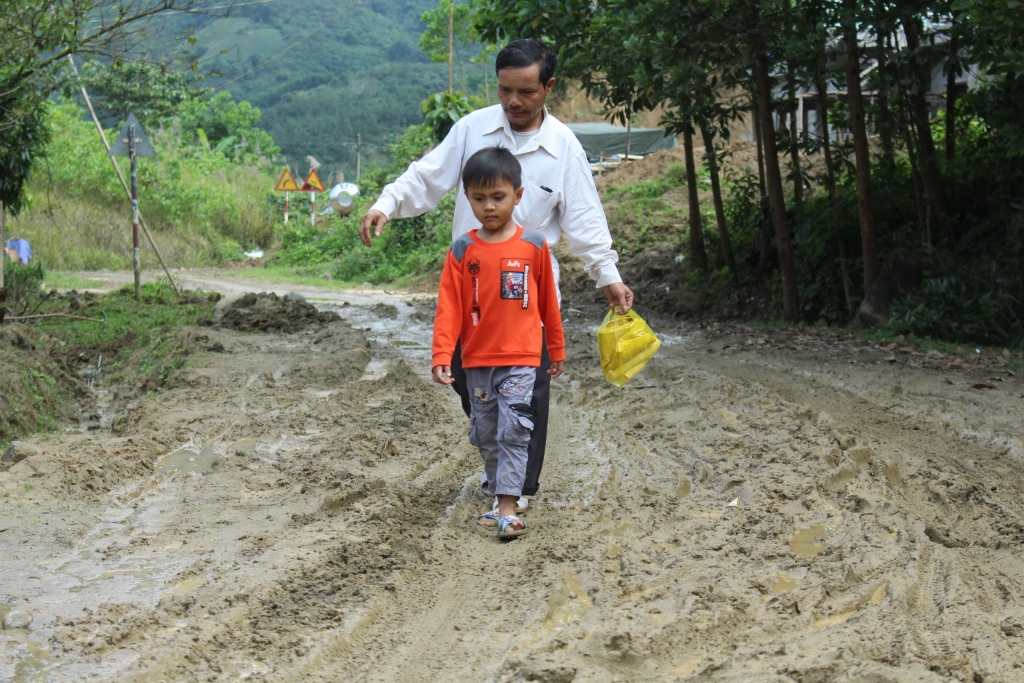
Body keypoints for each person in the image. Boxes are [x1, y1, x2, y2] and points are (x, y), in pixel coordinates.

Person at [361, 38, 633, 509]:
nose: (514, 102)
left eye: (526, 91)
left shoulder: (563, 146)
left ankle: (517, 487)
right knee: (476, 391)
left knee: (526, 398)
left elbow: (585, 217)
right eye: (506, 89)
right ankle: (500, 462)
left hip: (528, 297)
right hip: (473, 297)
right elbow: (427, 177)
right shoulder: (472, 130)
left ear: (548, 86)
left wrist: (606, 274)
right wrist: (387, 203)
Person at [431, 147, 565, 537]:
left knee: (514, 428)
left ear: (518, 195)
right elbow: (449, 309)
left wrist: (555, 349)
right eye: (479, 198)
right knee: (486, 432)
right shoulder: (462, 250)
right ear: (468, 197)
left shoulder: (534, 246)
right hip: (476, 362)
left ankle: (509, 505)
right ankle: (497, 494)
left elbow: (547, 305)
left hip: (522, 358)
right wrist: (442, 353)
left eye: (498, 197)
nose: (489, 207)